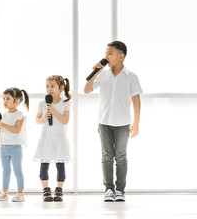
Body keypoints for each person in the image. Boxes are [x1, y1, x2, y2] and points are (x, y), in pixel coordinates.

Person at [84, 41, 142, 202]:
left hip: (123, 123)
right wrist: (95, 72)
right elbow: (87, 90)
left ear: (120, 56)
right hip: (104, 122)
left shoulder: (131, 77)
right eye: (105, 53)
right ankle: (109, 189)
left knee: (121, 156)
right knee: (106, 156)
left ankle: (120, 190)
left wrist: (136, 122)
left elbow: (136, 100)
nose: (106, 56)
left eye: (110, 53)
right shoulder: (102, 74)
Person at [34, 75, 72, 202]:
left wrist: (54, 111)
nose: (49, 89)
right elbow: (37, 120)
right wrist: (44, 118)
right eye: (47, 86)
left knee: (60, 165)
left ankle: (59, 190)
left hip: (60, 139)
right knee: (44, 164)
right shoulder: (42, 103)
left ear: (61, 88)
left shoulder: (66, 103)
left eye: (53, 86)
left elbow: (65, 121)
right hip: (46, 138)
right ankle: (46, 190)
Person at [0, 88, 29, 202]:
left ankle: (20, 193)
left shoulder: (20, 115)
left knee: (17, 170)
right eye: (3, 98)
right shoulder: (3, 115)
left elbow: (16, 129)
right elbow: (2, 131)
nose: (5, 101)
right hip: (4, 147)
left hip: (15, 147)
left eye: (8, 98)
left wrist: (2, 124)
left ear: (17, 101)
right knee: (6, 171)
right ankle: (4, 193)